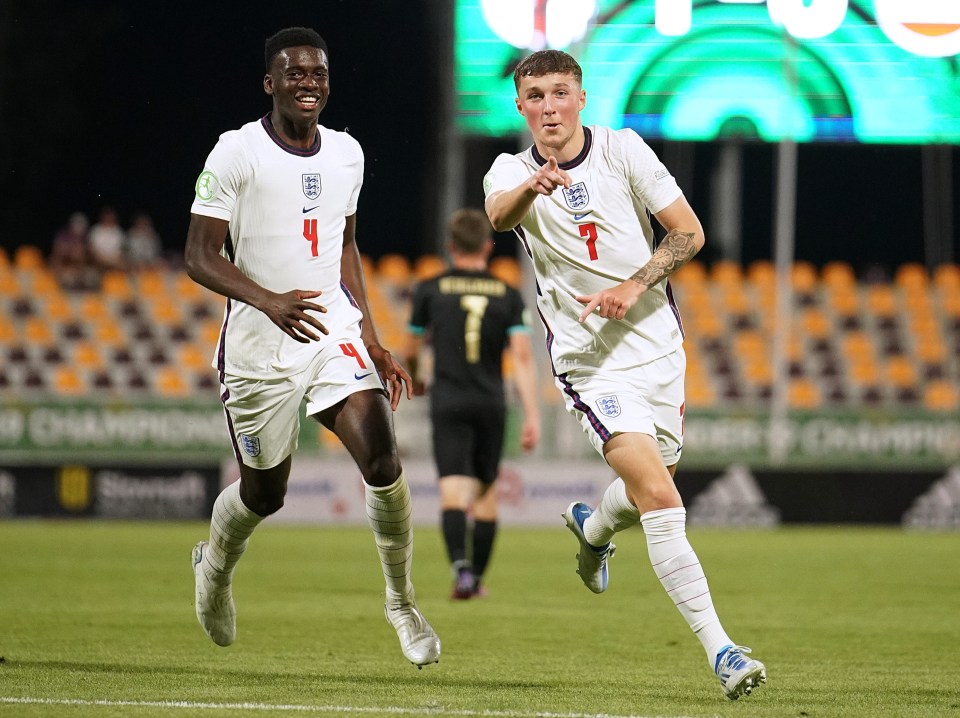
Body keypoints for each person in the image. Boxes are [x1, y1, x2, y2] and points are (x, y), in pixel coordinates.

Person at [482, 49, 766, 700]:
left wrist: (633, 283)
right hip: (589, 362)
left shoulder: (624, 149)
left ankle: (592, 527)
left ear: (581, 97)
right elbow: (499, 214)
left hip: (658, 346)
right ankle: (721, 651)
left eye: (559, 92)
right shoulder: (510, 169)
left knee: (651, 483)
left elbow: (687, 233)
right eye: (534, 96)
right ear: (520, 106)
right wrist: (533, 186)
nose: (548, 106)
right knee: (663, 499)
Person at [184, 26, 440, 668]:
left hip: (329, 330)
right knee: (264, 494)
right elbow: (197, 255)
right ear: (270, 82)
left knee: (382, 456)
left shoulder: (347, 153)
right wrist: (268, 300)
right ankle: (214, 563)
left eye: (319, 74)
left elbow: (344, 245)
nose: (309, 83)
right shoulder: (235, 151)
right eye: (295, 73)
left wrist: (372, 338)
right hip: (256, 346)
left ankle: (402, 602)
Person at [405, 208, 540, 600]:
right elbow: (522, 357)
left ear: (450, 247)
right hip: (489, 401)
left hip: (448, 398)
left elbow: (412, 346)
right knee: (485, 493)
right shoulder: (508, 294)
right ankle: (475, 580)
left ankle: (461, 570)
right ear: (487, 246)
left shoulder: (430, 289)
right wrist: (532, 414)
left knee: (452, 492)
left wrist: (416, 377)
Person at [49, 212, 95, 290]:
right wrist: (70, 251)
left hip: (79, 271)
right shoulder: (63, 235)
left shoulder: (85, 239)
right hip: (64, 268)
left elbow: (90, 255)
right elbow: (57, 253)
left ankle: (78, 280)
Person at [88, 206, 126, 272]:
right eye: (107, 216)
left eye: (110, 216)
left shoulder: (119, 232)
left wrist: (112, 260)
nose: (108, 218)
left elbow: (121, 251)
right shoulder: (95, 230)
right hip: (98, 262)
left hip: (115, 262)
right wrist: (104, 260)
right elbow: (92, 249)